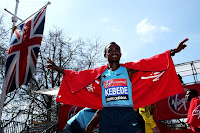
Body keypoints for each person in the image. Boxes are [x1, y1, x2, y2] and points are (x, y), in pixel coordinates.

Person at [46, 38, 188, 133]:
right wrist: (60, 69)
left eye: (116, 50)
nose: (114, 52)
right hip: (107, 114)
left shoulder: (128, 70)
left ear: (120, 54)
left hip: (126, 112)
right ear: (105, 55)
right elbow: (79, 76)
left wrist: (173, 51)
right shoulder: (101, 73)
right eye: (110, 50)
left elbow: (150, 62)